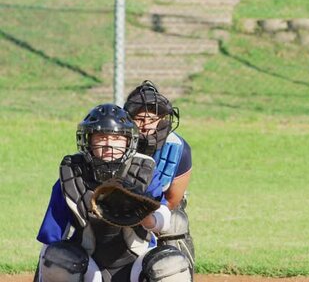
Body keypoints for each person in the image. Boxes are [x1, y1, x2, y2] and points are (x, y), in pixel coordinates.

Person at [35, 103, 192, 281]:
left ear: (129, 141)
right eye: (101, 137)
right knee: (59, 260)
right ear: (88, 140)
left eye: (117, 138)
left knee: (169, 266)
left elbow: (163, 219)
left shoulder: (143, 171)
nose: (109, 145)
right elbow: (51, 240)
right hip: (88, 264)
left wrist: (146, 218)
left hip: (137, 260)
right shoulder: (71, 175)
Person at [123, 81, 194, 270]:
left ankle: (177, 273)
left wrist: (148, 221)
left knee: (176, 223)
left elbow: (172, 200)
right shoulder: (115, 142)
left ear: (163, 119)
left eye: (152, 118)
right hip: (117, 207)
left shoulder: (178, 149)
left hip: (159, 209)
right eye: (139, 118)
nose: (146, 125)